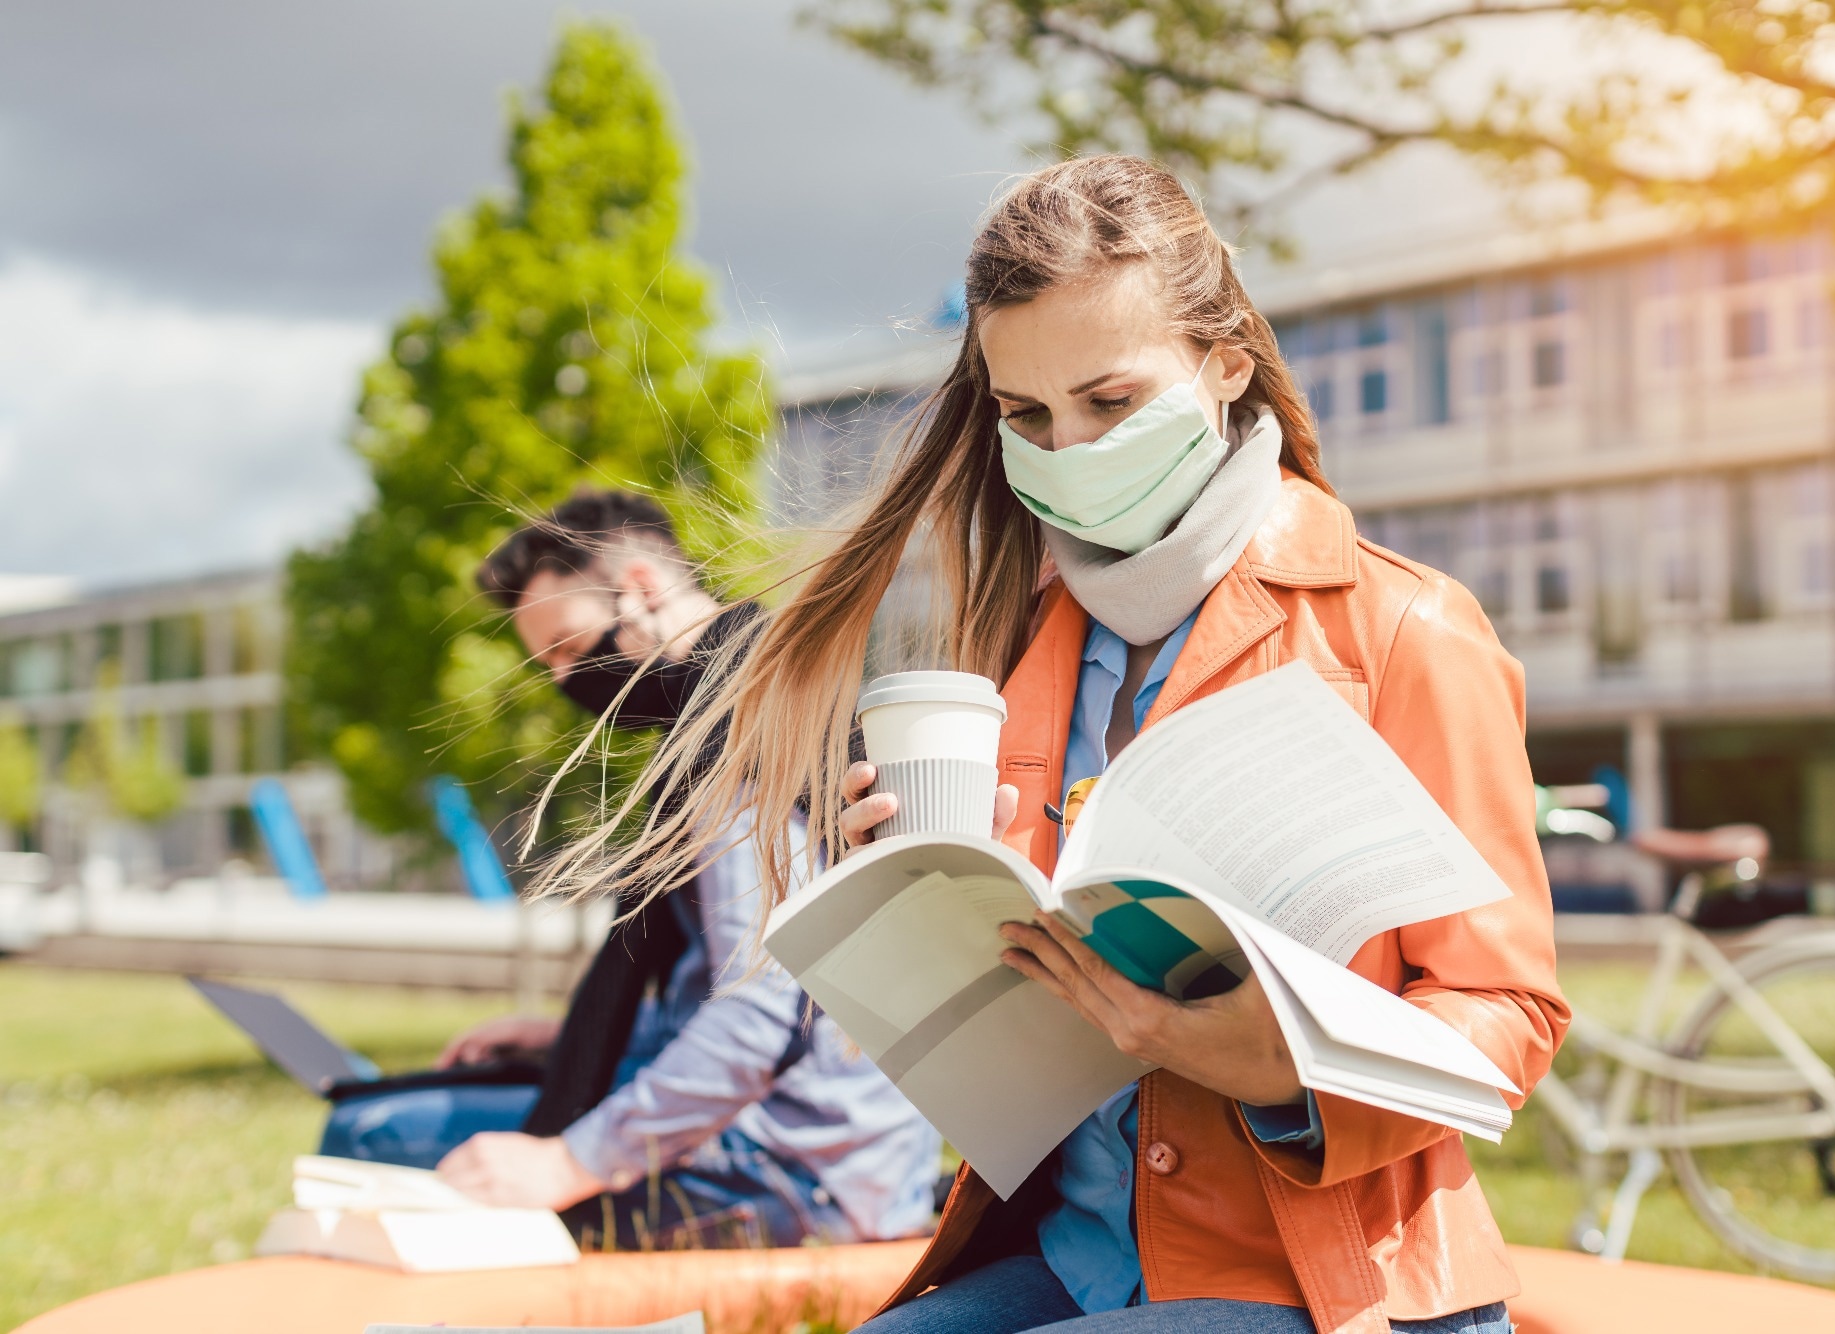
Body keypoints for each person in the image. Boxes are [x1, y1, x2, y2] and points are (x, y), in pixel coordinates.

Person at [556, 157, 1567, 1331]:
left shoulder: (1402, 628)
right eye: (1024, 415)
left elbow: (1509, 1011)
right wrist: (911, 910)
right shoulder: (1017, 642)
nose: (1067, 448)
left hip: (1325, 1283)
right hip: (1077, 1253)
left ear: (1224, 363)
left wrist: (1282, 1068)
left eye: (1110, 401)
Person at [348, 490, 942, 1251]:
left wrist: (568, 1163)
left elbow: (754, 1024)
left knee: (371, 1134)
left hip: (800, 1173)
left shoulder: (736, 735)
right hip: (840, 1152)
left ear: (642, 585)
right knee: (422, 1113)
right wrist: (562, 1039)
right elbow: (755, 995)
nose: (567, 681)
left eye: (568, 645)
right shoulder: (767, 691)